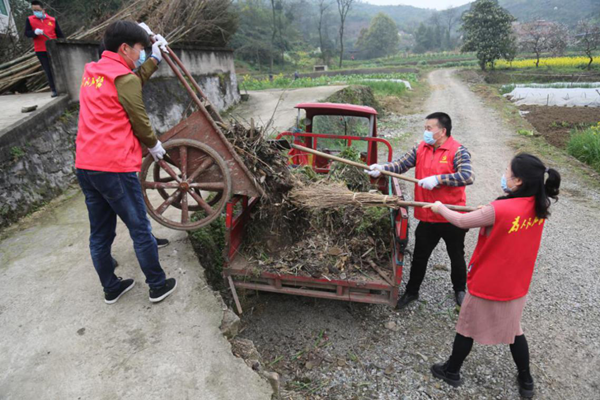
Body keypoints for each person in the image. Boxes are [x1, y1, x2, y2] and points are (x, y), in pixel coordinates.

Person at [425, 153, 561, 398]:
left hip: (488, 282)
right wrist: (486, 214)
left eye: (507, 172)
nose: (504, 175)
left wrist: (440, 207)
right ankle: (526, 379)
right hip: (516, 283)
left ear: (518, 181)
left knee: (466, 327)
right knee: (514, 331)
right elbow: (502, 221)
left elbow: (461, 220)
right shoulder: (540, 204)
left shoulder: (499, 208)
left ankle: (451, 370)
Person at [75, 20, 176, 304]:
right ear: (125, 48)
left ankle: (111, 287)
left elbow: (130, 81)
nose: (141, 54)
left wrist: (154, 59)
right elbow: (138, 117)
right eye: (140, 49)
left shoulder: (92, 72)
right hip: (114, 165)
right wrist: (154, 145)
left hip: (86, 164)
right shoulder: (124, 79)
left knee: (100, 232)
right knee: (139, 228)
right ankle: (157, 285)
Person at [367, 112, 474, 308]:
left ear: (442, 131)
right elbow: (401, 164)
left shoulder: (457, 151)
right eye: (425, 128)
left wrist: (439, 180)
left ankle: (460, 290)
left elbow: (467, 176)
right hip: (428, 215)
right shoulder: (421, 148)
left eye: (428, 128)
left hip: (452, 216)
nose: (425, 132)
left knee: (456, 255)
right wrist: (382, 168)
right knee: (419, 256)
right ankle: (411, 292)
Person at [24, 1, 64, 97]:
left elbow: (60, 35)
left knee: (57, 69)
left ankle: (63, 87)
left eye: (38, 10)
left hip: (53, 49)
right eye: (34, 10)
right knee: (48, 70)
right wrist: (34, 32)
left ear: (43, 10)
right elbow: (26, 33)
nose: (36, 12)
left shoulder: (52, 20)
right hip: (40, 50)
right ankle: (54, 90)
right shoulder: (30, 20)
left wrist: (61, 45)